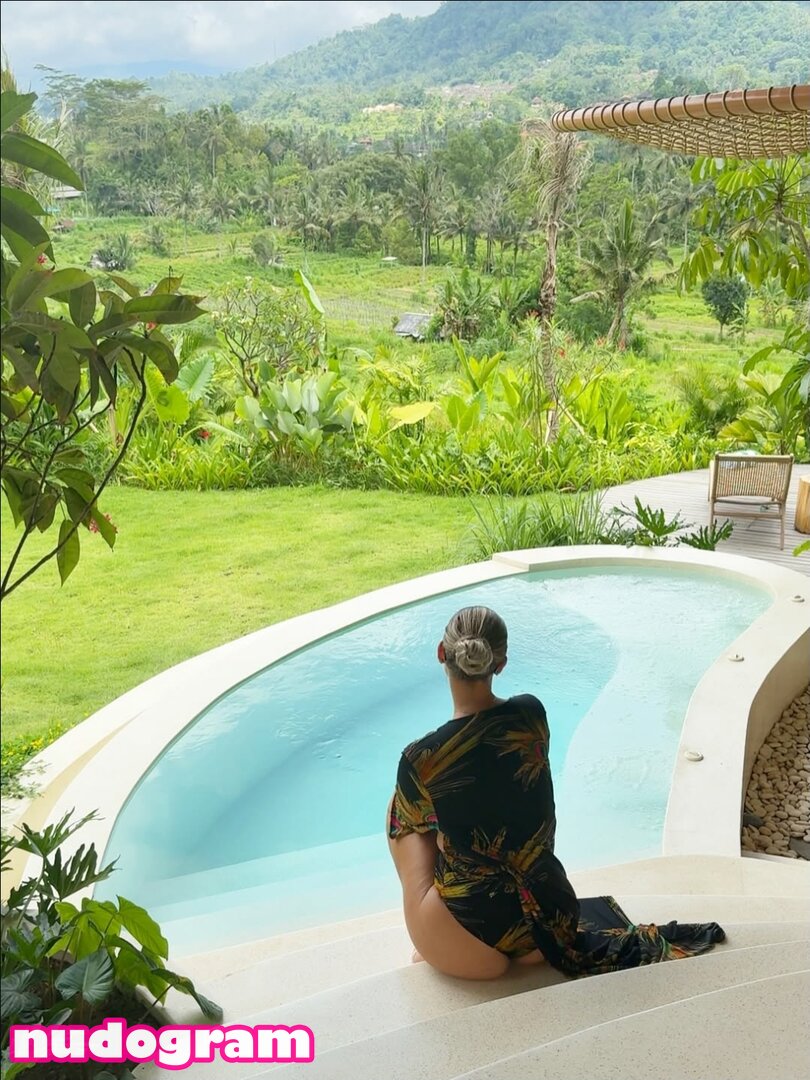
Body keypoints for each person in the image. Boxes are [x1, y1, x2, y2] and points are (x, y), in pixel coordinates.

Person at [387, 605, 725, 980]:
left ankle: (435, 939)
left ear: (441, 653)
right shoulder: (530, 713)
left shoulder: (422, 758)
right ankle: (471, 936)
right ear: (500, 663)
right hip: (550, 919)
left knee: (402, 814)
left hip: (476, 942)